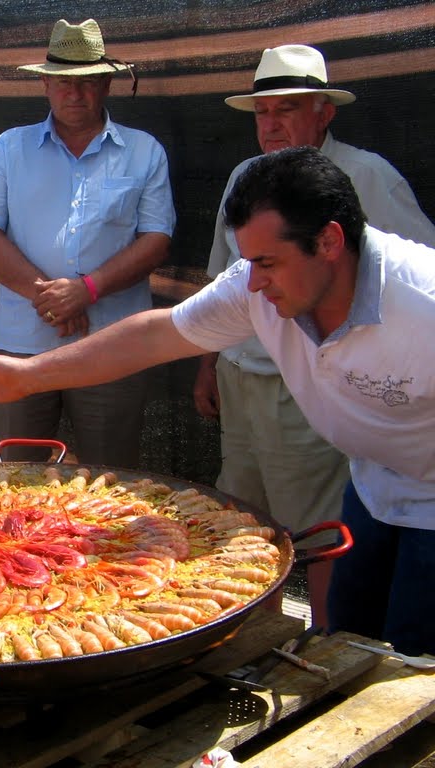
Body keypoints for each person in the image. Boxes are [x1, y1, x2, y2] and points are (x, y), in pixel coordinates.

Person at [0, 146, 435, 655]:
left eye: (268, 262)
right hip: (374, 484)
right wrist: (27, 375)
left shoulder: (424, 302)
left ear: (330, 240)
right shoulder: (256, 283)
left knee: (413, 664)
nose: (256, 282)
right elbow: (156, 336)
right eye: (248, 262)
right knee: (352, 637)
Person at [191, 44, 435, 625]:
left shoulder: (366, 175)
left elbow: (418, 265)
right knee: (240, 517)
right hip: (242, 374)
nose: (271, 125)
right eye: (262, 112)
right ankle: (258, 639)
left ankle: (322, 640)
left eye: (288, 109)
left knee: (315, 524)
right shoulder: (245, 177)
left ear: (324, 112)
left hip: (305, 383)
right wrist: (209, 361)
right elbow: (223, 277)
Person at [0, 18, 174, 467]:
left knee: (110, 479)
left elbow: (157, 240)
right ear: (44, 83)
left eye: (87, 82)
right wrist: (48, 295)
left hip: (113, 344)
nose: (74, 94)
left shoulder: (144, 151)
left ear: (108, 84)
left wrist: (87, 290)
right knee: (17, 479)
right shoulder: (8, 148)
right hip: (22, 341)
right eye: (63, 81)